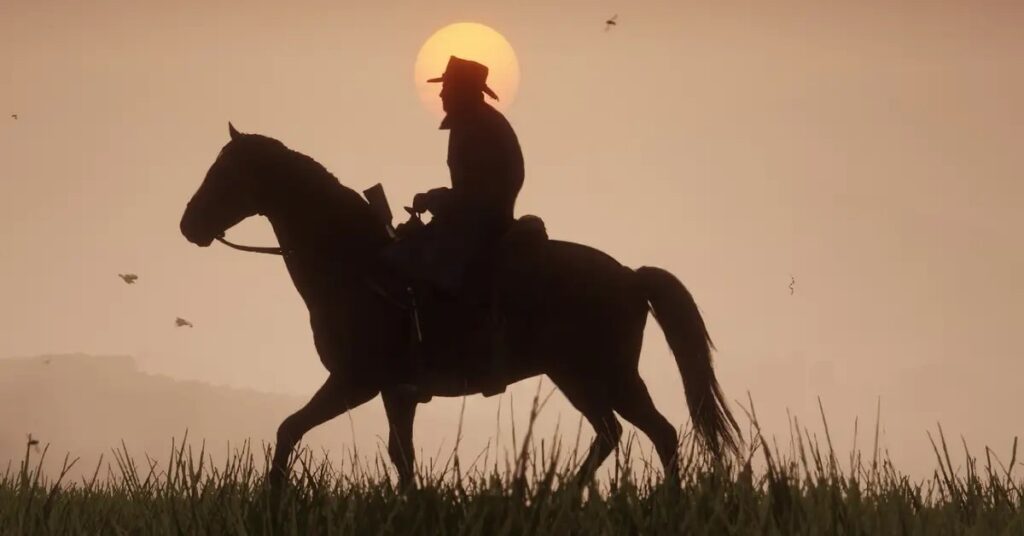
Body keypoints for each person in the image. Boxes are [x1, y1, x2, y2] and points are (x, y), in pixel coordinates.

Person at [389, 55, 525, 396]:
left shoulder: (476, 126)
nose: (441, 94)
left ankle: (436, 359)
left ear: (462, 90)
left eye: (447, 87)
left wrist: (434, 199)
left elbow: (475, 192)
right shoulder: (476, 122)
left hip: (478, 223)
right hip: (474, 217)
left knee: (419, 269)